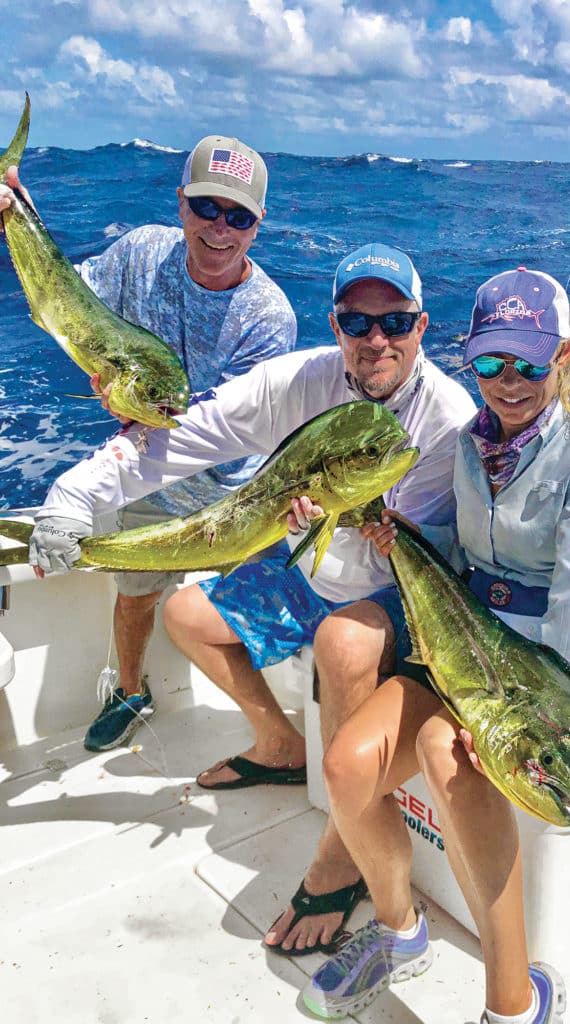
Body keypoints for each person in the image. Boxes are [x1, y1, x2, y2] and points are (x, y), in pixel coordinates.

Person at [25, 243, 477, 935]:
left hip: (390, 594)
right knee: (185, 613)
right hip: (308, 568)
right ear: (335, 326)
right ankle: (280, 746)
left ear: (422, 327)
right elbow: (182, 436)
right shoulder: (296, 382)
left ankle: (342, 852)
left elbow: (441, 552)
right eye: (358, 323)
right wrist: (73, 495)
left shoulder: (448, 415)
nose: (376, 340)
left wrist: (355, 520)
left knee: (344, 644)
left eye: (396, 322)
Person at [300, 267, 570, 1022]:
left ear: (565, 354)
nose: (509, 382)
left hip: (543, 677)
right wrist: (401, 539)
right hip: (458, 644)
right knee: (348, 767)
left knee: (449, 757)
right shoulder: (466, 442)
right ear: (471, 359)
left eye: (529, 361)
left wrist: (542, 725)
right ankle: (399, 931)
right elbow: (452, 559)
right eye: (491, 362)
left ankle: (514, 1001)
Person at [0, 135, 297, 753]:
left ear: (258, 225)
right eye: (207, 209)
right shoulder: (140, 253)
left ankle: (271, 727)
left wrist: (96, 463)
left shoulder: (269, 315)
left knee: (233, 619)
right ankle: (132, 690)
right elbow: (64, 297)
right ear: (181, 205)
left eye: (238, 216)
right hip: (141, 472)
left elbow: (216, 430)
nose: (220, 228)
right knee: (134, 597)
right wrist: (14, 217)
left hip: (230, 493)